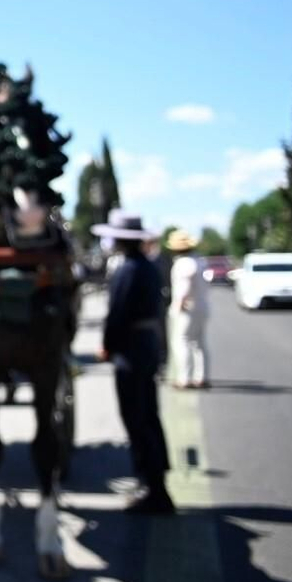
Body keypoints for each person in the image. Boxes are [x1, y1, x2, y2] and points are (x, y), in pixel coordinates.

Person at [93, 210, 175, 514]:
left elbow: (117, 314)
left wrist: (106, 345)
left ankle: (152, 487)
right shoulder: (146, 266)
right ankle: (157, 482)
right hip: (146, 346)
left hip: (131, 350)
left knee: (136, 418)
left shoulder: (128, 270)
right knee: (149, 415)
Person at [165, 230, 209, 389]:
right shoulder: (199, 261)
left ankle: (184, 378)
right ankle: (201, 376)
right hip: (202, 306)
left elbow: (185, 286)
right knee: (199, 343)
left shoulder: (183, 263)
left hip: (187, 308)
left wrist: (180, 304)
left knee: (181, 342)